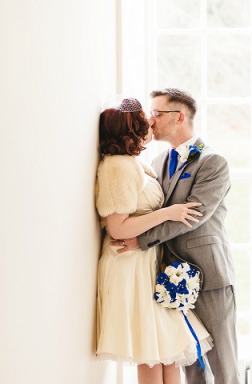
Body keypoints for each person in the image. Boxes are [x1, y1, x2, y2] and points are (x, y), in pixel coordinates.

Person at [118, 89, 242, 384]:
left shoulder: (213, 162)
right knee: (190, 364)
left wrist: (141, 240)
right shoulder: (158, 162)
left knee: (222, 363)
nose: (150, 120)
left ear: (180, 117)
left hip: (210, 276)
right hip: (169, 276)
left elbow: (191, 216)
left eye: (157, 114)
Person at [95, 98, 214, 384]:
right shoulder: (118, 167)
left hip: (146, 260)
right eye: (146, 122)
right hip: (129, 266)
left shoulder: (135, 163)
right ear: (133, 129)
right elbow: (118, 227)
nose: (152, 124)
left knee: (168, 350)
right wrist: (167, 214)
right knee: (150, 349)